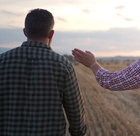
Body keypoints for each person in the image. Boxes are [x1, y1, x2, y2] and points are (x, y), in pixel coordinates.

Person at [0, 8, 87, 136]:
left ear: (25, 32)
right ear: (51, 34)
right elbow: (75, 111)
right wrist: (78, 132)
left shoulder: (2, 61)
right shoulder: (63, 65)